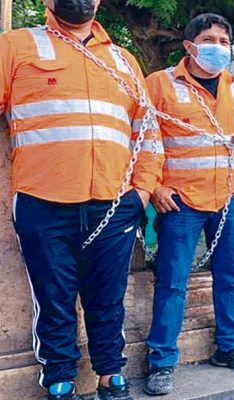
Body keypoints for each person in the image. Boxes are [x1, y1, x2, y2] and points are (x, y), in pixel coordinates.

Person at [0, 1, 162, 399]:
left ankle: (111, 374)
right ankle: (59, 377)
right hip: (43, 200)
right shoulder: (16, 45)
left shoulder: (122, 60)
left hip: (113, 202)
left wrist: (140, 194)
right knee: (53, 296)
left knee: (108, 297)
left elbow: (148, 133)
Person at [142, 13, 234, 396]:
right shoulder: (159, 85)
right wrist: (158, 187)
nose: (218, 47)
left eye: (224, 41)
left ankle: (230, 348)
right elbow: (143, 141)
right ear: (190, 46)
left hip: (229, 200)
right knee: (172, 283)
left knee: (230, 279)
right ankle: (161, 362)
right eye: (209, 39)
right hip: (180, 204)